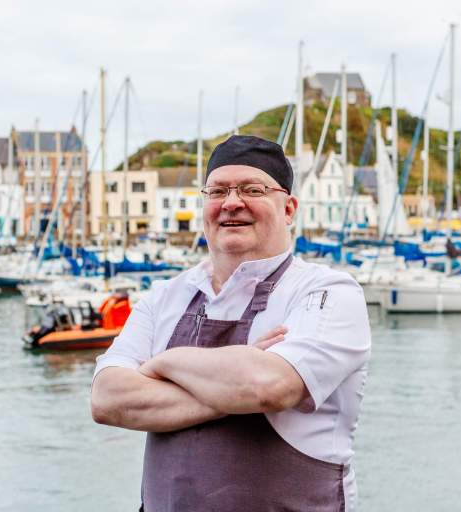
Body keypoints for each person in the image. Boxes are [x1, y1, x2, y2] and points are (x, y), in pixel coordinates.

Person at [91, 135, 371, 511]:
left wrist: (162, 365)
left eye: (252, 189)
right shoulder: (165, 296)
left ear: (288, 209)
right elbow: (108, 399)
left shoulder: (329, 293)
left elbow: (268, 387)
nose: (232, 202)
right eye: (218, 190)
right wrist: (235, 378)